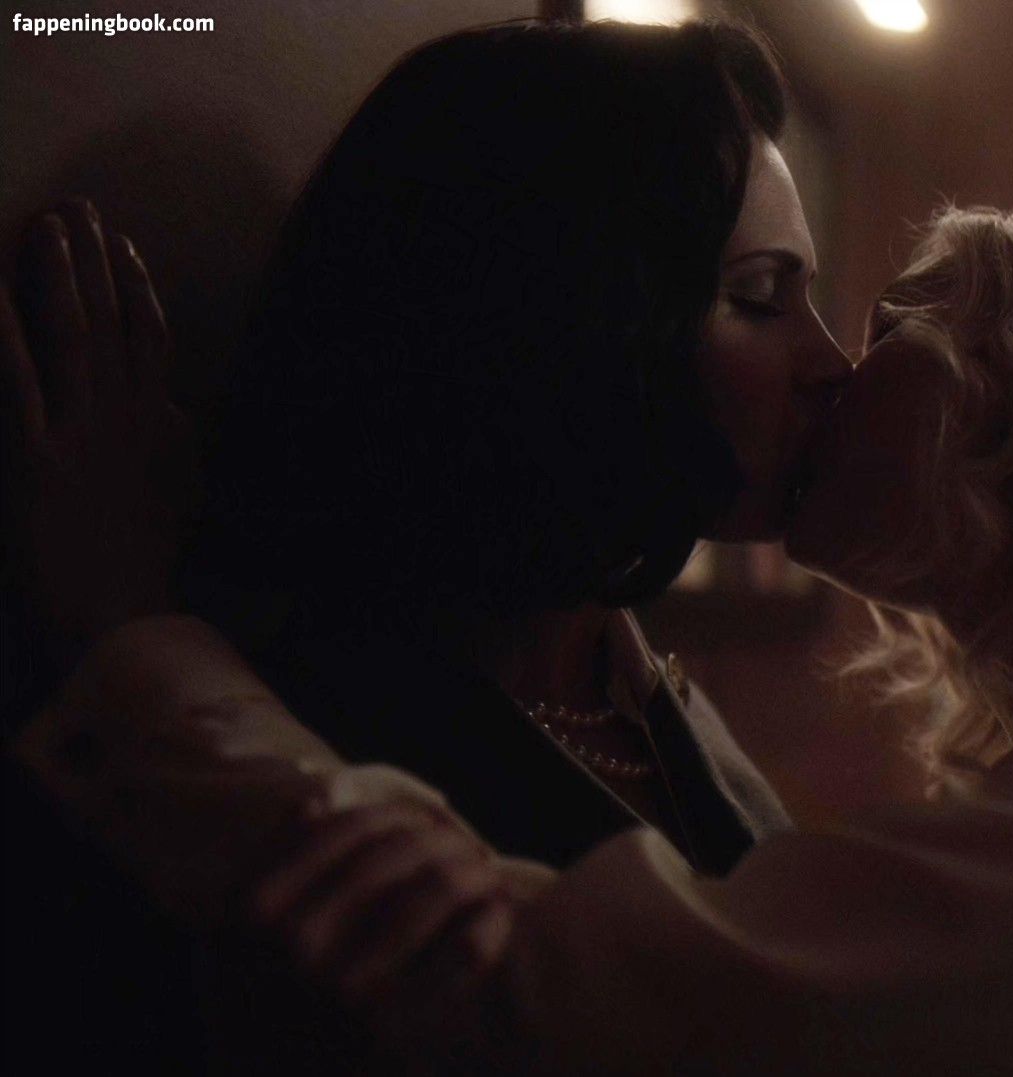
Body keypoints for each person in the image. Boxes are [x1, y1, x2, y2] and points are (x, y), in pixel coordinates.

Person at [8, 201, 1013, 1073]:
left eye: (891, 323)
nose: (829, 364)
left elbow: (543, 1009)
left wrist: (134, 632)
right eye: (768, 298)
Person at [1, 17, 849, 1071]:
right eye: (761, 296)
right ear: (565, 314)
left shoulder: (639, 691)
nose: (834, 362)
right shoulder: (305, 705)